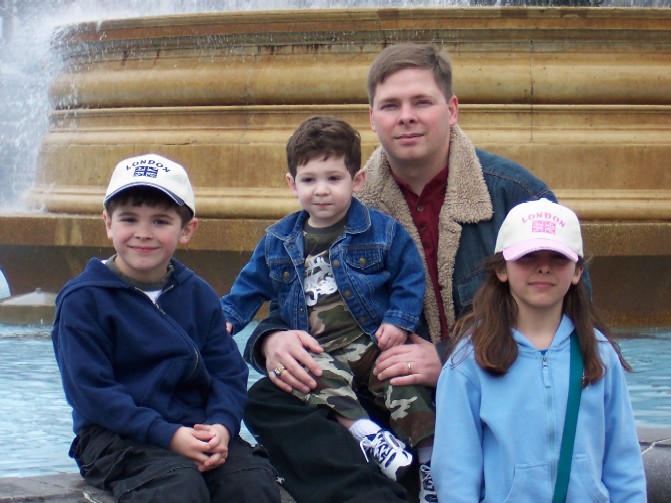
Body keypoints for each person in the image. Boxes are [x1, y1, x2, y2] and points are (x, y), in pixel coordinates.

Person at [243, 43, 562, 503]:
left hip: (488, 382)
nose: (406, 117)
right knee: (266, 401)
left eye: (422, 102)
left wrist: (452, 360)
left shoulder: (518, 196)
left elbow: (569, 317)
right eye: (391, 105)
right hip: (376, 385)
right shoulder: (338, 199)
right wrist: (270, 340)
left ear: (451, 110)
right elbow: (296, 293)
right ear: (372, 118)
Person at [221, 116, 436, 489]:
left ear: (357, 180)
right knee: (309, 380)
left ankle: (432, 466)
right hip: (319, 349)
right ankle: (367, 434)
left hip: (372, 341)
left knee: (404, 385)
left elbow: (410, 277)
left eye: (334, 179)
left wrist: (399, 320)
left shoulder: (382, 231)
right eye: (309, 180)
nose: (321, 190)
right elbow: (248, 288)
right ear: (292, 184)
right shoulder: (278, 240)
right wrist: (224, 320)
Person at [51, 154, 281, 503]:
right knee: (176, 488)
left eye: (160, 221)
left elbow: (228, 372)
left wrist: (221, 425)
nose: (143, 233)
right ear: (108, 223)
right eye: (129, 219)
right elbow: (92, 392)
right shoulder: (83, 300)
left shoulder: (199, 295)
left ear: (187, 229)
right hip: (112, 435)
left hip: (194, 427)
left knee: (251, 482)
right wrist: (168, 435)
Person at [432, 198, 646, 502]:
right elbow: (455, 472)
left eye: (558, 258)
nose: (543, 267)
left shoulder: (599, 353)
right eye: (528, 256)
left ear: (577, 271)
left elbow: (623, 463)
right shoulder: (469, 360)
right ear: (502, 268)